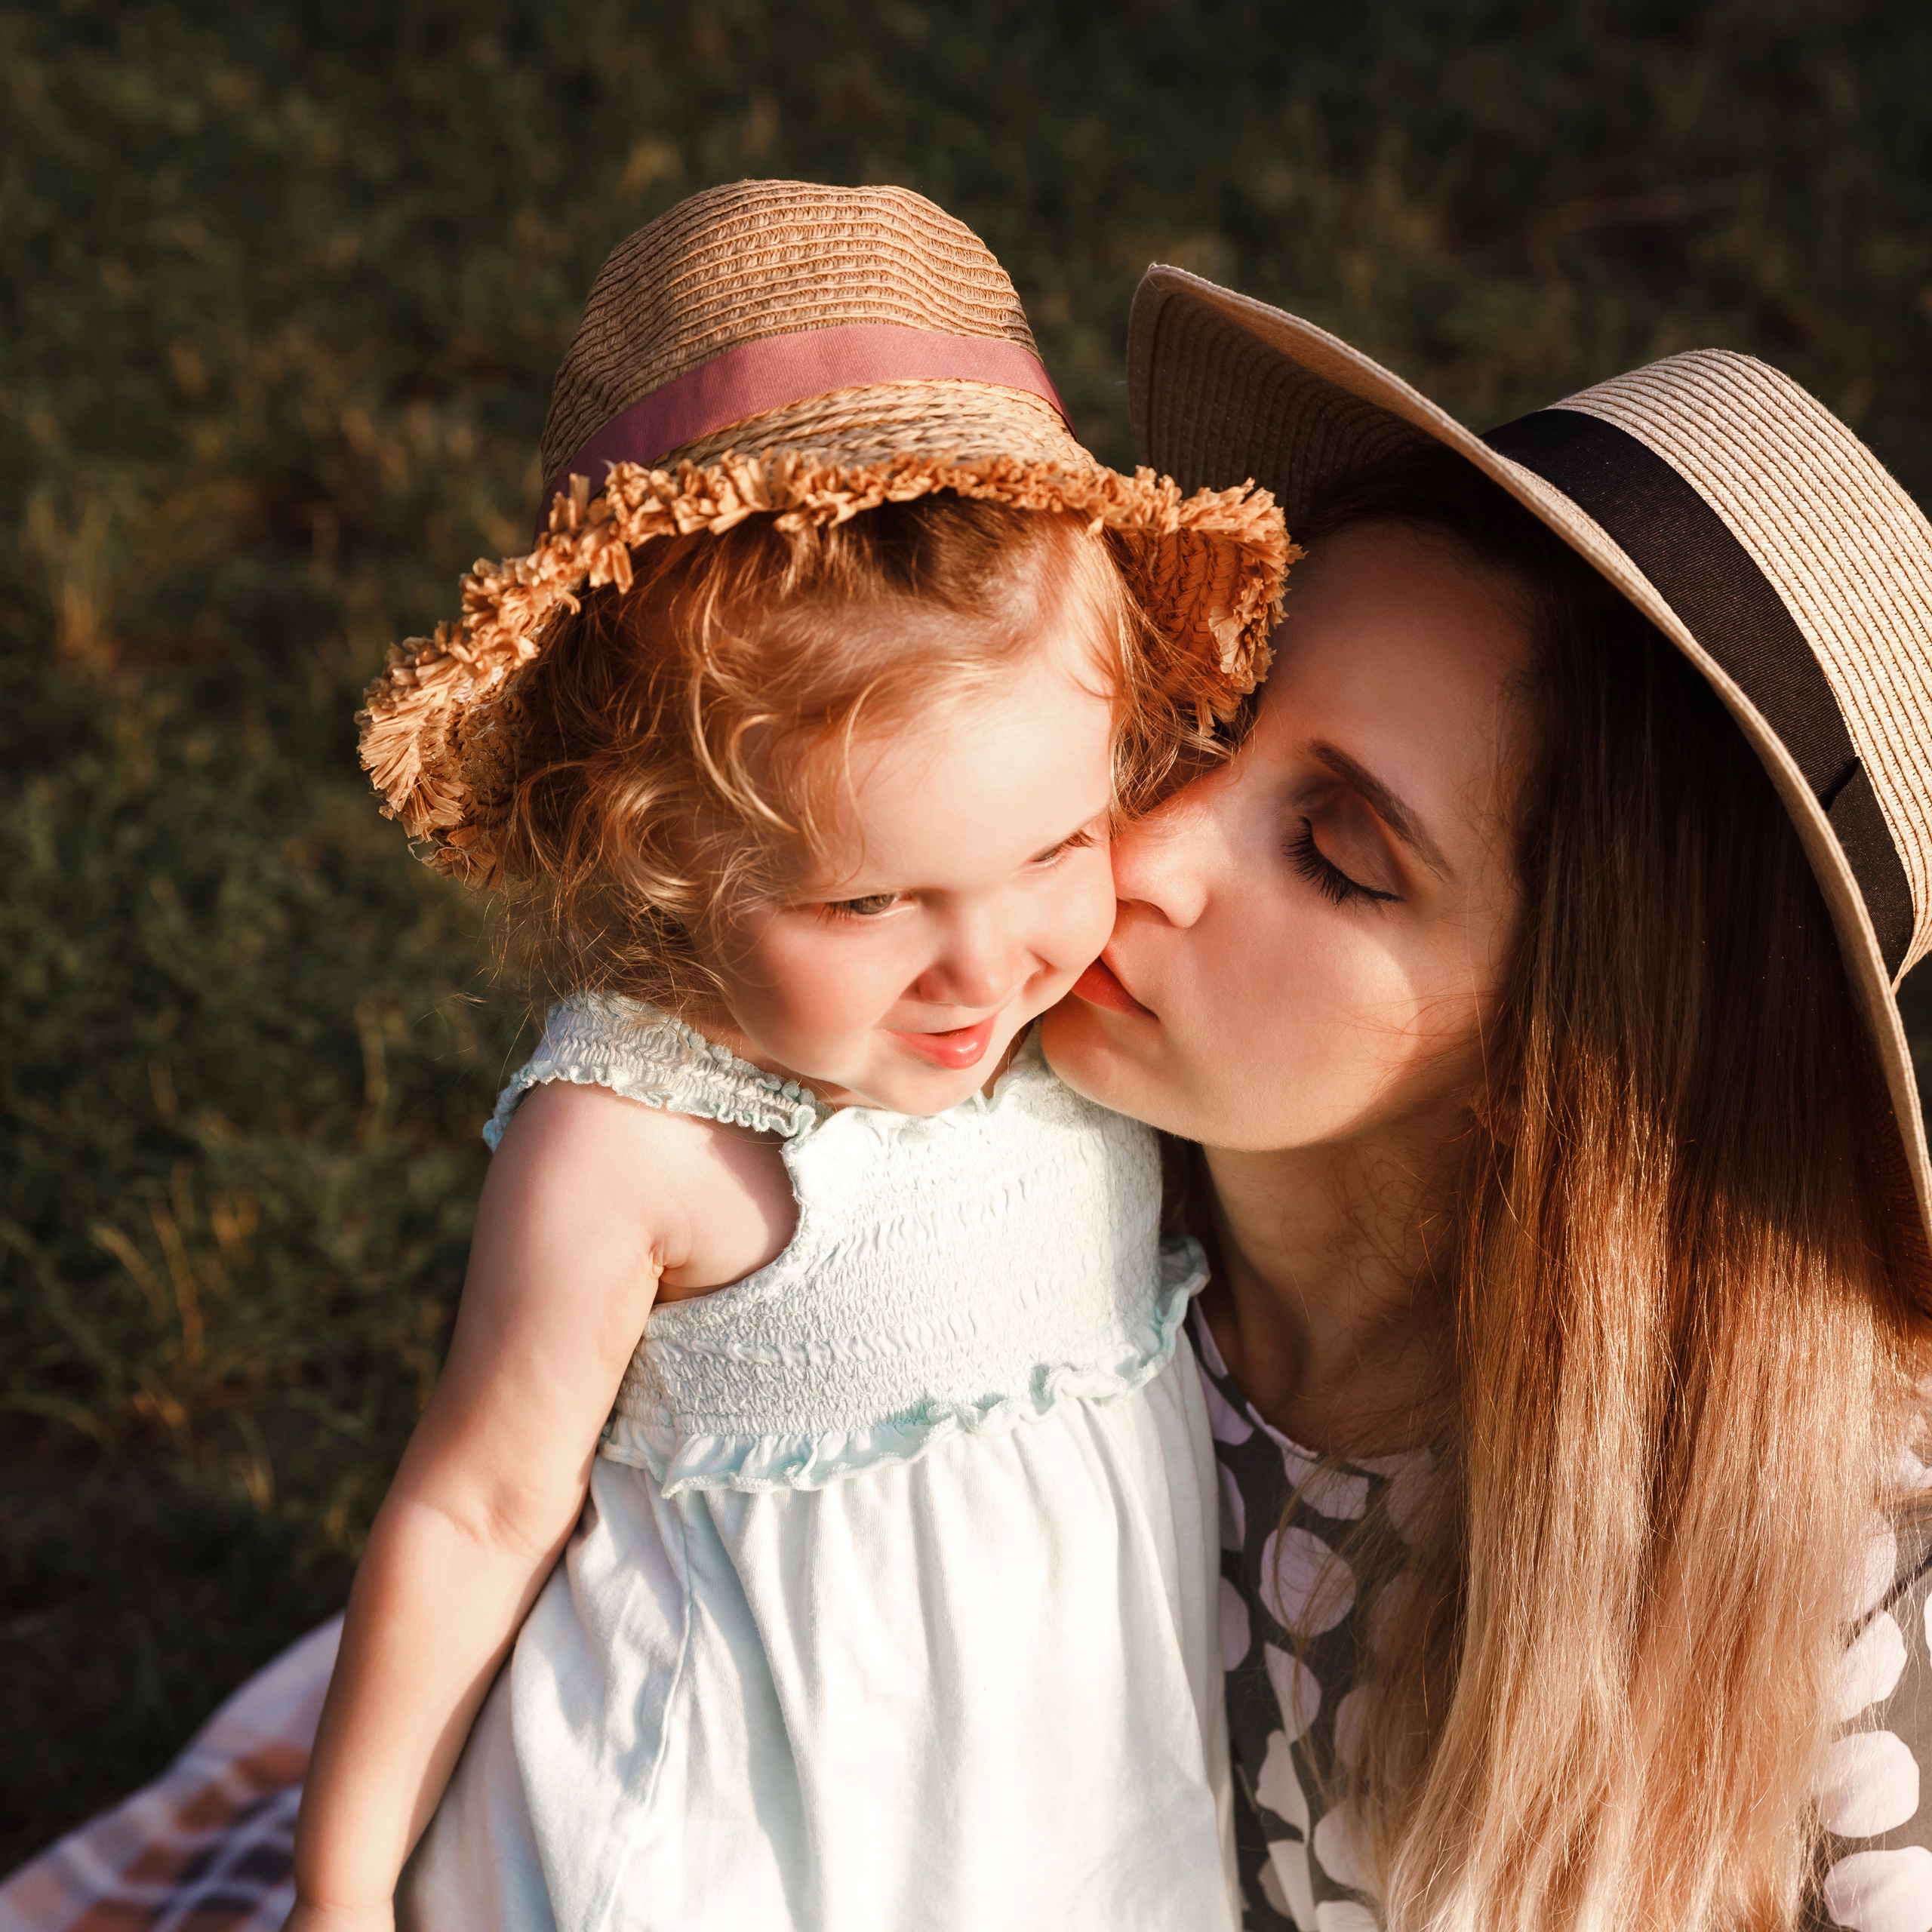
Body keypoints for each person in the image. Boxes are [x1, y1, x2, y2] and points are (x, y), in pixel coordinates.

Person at [286, 186, 1292, 1932]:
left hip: (1065, 1809)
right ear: (663, 849)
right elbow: (476, 1506)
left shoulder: (1100, 1027)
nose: (987, 969)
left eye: (1058, 844)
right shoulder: (637, 1142)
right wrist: (341, 1885)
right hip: (734, 1831)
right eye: (870, 897)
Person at [1044, 270, 1932, 1929]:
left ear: (1558, 1061)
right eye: (1203, 713)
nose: (1145, 851)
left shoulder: (1855, 1589)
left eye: (1335, 854)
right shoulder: (970, 1229)